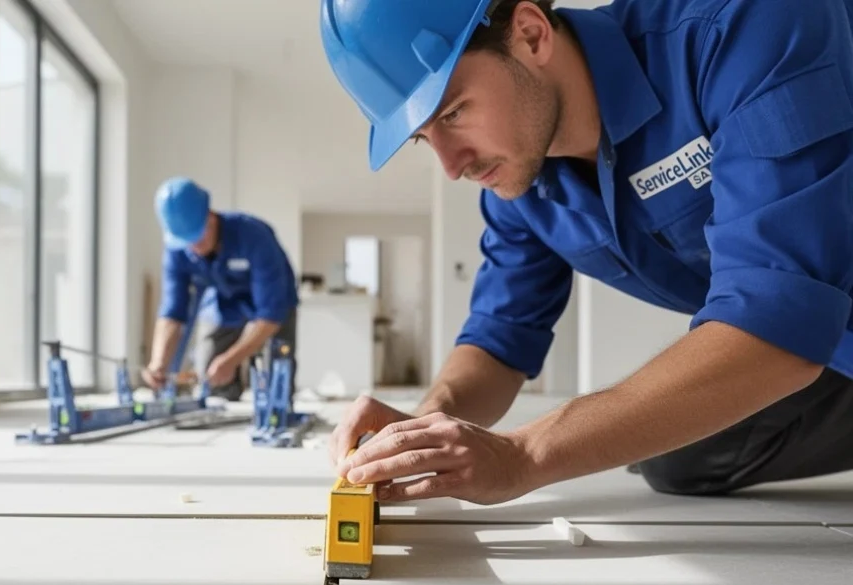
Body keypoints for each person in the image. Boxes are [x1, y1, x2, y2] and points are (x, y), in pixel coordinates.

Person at [320, 0, 853, 505]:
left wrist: (522, 454)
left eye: (454, 112)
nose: (452, 165)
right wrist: (423, 425)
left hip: (801, 342)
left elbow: (776, 320)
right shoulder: (520, 181)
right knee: (678, 461)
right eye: (422, 137)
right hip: (827, 351)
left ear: (531, 33)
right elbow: (500, 339)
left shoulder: (739, 26)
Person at [142, 177, 300, 401]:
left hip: (274, 303)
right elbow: (172, 311)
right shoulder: (177, 248)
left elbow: (270, 314)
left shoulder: (255, 236)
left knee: (277, 380)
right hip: (224, 302)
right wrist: (158, 362)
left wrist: (234, 358)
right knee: (211, 374)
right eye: (187, 242)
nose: (194, 247)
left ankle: (276, 406)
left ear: (210, 215)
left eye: (197, 236)